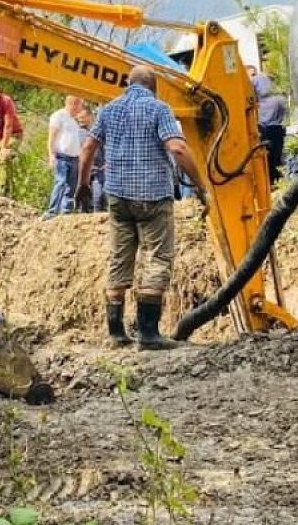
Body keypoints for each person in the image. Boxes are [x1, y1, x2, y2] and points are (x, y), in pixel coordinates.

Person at [77, 65, 205, 350]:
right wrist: (200, 185)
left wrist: (83, 184)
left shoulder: (108, 110)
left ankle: (116, 333)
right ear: (153, 86)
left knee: (120, 257)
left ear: (128, 83)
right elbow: (178, 148)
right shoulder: (160, 109)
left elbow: (87, 149)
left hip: (118, 197)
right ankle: (148, 334)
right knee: (157, 258)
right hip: (153, 197)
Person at [44, 95, 86, 218]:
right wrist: (51, 154)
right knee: (61, 182)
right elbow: (51, 137)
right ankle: (52, 212)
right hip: (62, 157)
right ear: (73, 104)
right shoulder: (58, 116)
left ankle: (65, 213)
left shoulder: (73, 120)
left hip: (74, 158)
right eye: (79, 105)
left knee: (71, 186)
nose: (80, 108)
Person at [253, 70, 287, 185]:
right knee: (267, 154)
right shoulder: (256, 80)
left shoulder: (280, 78)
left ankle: (274, 178)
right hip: (265, 124)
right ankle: (269, 182)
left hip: (279, 124)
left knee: (277, 153)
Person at [74, 103, 105, 213]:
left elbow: (102, 147)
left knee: (98, 195)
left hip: (98, 168)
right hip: (83, 168)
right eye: (78, 118)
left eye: (82, 117)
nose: (80, 120)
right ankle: (83, 215)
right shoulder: (79, 132)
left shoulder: (97, 130)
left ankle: (98, 215)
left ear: (90, 116)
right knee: (83, 195)